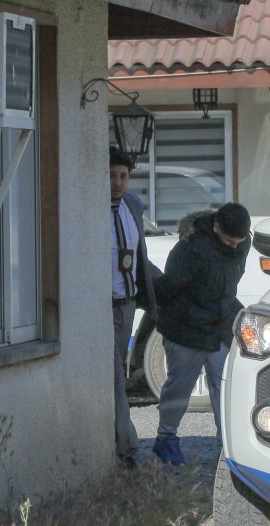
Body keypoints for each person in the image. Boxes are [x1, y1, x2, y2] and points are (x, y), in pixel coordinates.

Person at [150, 203, 251, 465]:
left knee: (224, 385)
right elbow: (168, 287)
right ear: (216, 227)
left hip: (218, 325)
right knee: (179, 387)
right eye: (230, 241)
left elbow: (229, 280)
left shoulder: (242, 242)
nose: (234, 247)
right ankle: (166, 439)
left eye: (238, 242)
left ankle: (228, 444)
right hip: (185, 328)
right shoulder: (190, 248)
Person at [109, 147, 161, 469]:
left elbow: (139, 255)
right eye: (111, 176)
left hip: (127, 303)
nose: (117, 183)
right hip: (101, 304)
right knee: (115, 377)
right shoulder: (89, 207)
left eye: (123, 176)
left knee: (117, 374)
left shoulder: (133, 205)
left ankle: (118, 443)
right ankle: (127, 448)